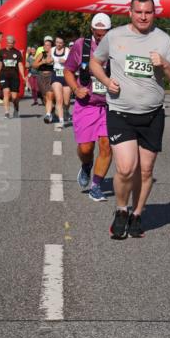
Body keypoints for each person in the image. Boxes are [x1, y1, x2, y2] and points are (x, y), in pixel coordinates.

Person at [90, 0, 170, 239]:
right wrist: (106, 81)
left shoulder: (163, 40)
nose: (143, 16)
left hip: (152, 115)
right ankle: (121, 210)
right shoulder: (114, 36)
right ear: (130, 12)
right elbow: (95, 63)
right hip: (120, 112)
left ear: (154, 14)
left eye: (148, 12)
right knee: (125, 168)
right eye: (139, 12)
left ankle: (137, 214)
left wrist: (165, 64)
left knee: (145, 171)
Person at [63, 13, 113, 202]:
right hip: (87, 104)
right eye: (98, 34)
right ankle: (86, 165)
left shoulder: (118, 45)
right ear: (92, 30)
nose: (101, 38)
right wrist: (76, 89)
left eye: (105, 34)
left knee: (106, 144)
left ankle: (96, 186)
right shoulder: (81, 45)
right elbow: (68, 70)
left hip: (110, 105)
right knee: (85, 149)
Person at [0, 35, 23, 119]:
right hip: (4, 75)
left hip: (14, 76)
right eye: (8, 43)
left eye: (12, 43)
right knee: (6, 92)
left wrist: (23, 75)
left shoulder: (17, 53)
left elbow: (20, 64)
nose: (10, 44)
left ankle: (16, 109)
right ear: (6, 43)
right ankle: (7, 112)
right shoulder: (1, 52)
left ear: (14, 43)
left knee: (14, 97)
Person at [49, 37, 71, 130]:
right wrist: (49, 60)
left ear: (63, 43)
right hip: (56, 75)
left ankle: (66, 110)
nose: (58, 44)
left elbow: (72, 62)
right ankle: (61, 121)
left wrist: (66, 61)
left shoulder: (67, 50)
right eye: (57, 42)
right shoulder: (52, 50)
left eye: (60, 43)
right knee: (59, 99)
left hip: (66, 75)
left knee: (66, 101)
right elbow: (48, 60)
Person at [34, 36, 56, 123]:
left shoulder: (54, 54)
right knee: (45, 97)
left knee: (50, 94)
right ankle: (51, 110)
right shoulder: (41, 54)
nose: (47, 47)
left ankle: (48, 114)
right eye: (45, 45)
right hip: (41, 76)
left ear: (52, 46)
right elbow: (34, 65)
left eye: (48, 45)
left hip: (51, 75)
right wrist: (43, 62)